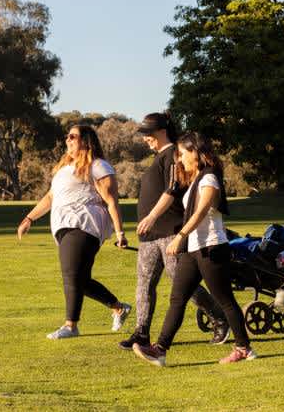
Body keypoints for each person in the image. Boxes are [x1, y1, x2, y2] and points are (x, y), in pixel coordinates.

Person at [134, 132, 257, 366]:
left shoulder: (209, 177)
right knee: (177, 297)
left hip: (211, 247)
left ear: (195, 152)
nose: (179, 159)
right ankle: (159, 350)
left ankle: (243, 348)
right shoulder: (196, 178)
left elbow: (201, 212)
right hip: (195, 248)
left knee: (225, 300)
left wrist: (180, 237)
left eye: (182, 154)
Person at [118, 113, 229, 351]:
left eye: (148, 133)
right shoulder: (159, 158)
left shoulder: (173, 155)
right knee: (144, 284)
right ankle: (141, 333)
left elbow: (173, 189)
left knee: (182, 283)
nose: (145, 138)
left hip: (170, 230)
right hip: (149, 236)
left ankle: (219, 316)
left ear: (161, 131)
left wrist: (152, 216)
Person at [17, 124, 132, 339]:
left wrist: (120, 233)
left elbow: (111, 200)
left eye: (73, 136)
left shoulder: (98, 166)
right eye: (67, 137)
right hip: (64, 227)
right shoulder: (64, 169)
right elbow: (51, 198)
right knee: (80, 279)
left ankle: (71, 325)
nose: (67, 140)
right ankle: (118, 307)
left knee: (71, 275)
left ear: (86, 141)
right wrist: (29, 218)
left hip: (84, 225)